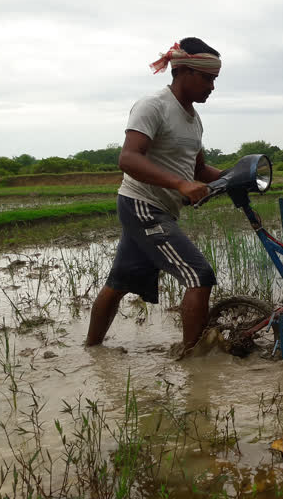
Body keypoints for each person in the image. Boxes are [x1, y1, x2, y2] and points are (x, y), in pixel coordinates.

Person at [86, 37, 224, 353]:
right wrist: (180, 185)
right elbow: (129, 158)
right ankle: (195, 363)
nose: (212, 87)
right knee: (199, 276)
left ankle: (92, 350)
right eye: (208, 79)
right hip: (141, 204)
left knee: (119, 282)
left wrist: (238, 178)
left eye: (214, 80)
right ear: (185, 71)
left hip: (159, 207)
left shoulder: (193, 119)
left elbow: (199, 169)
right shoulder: (154, 106)